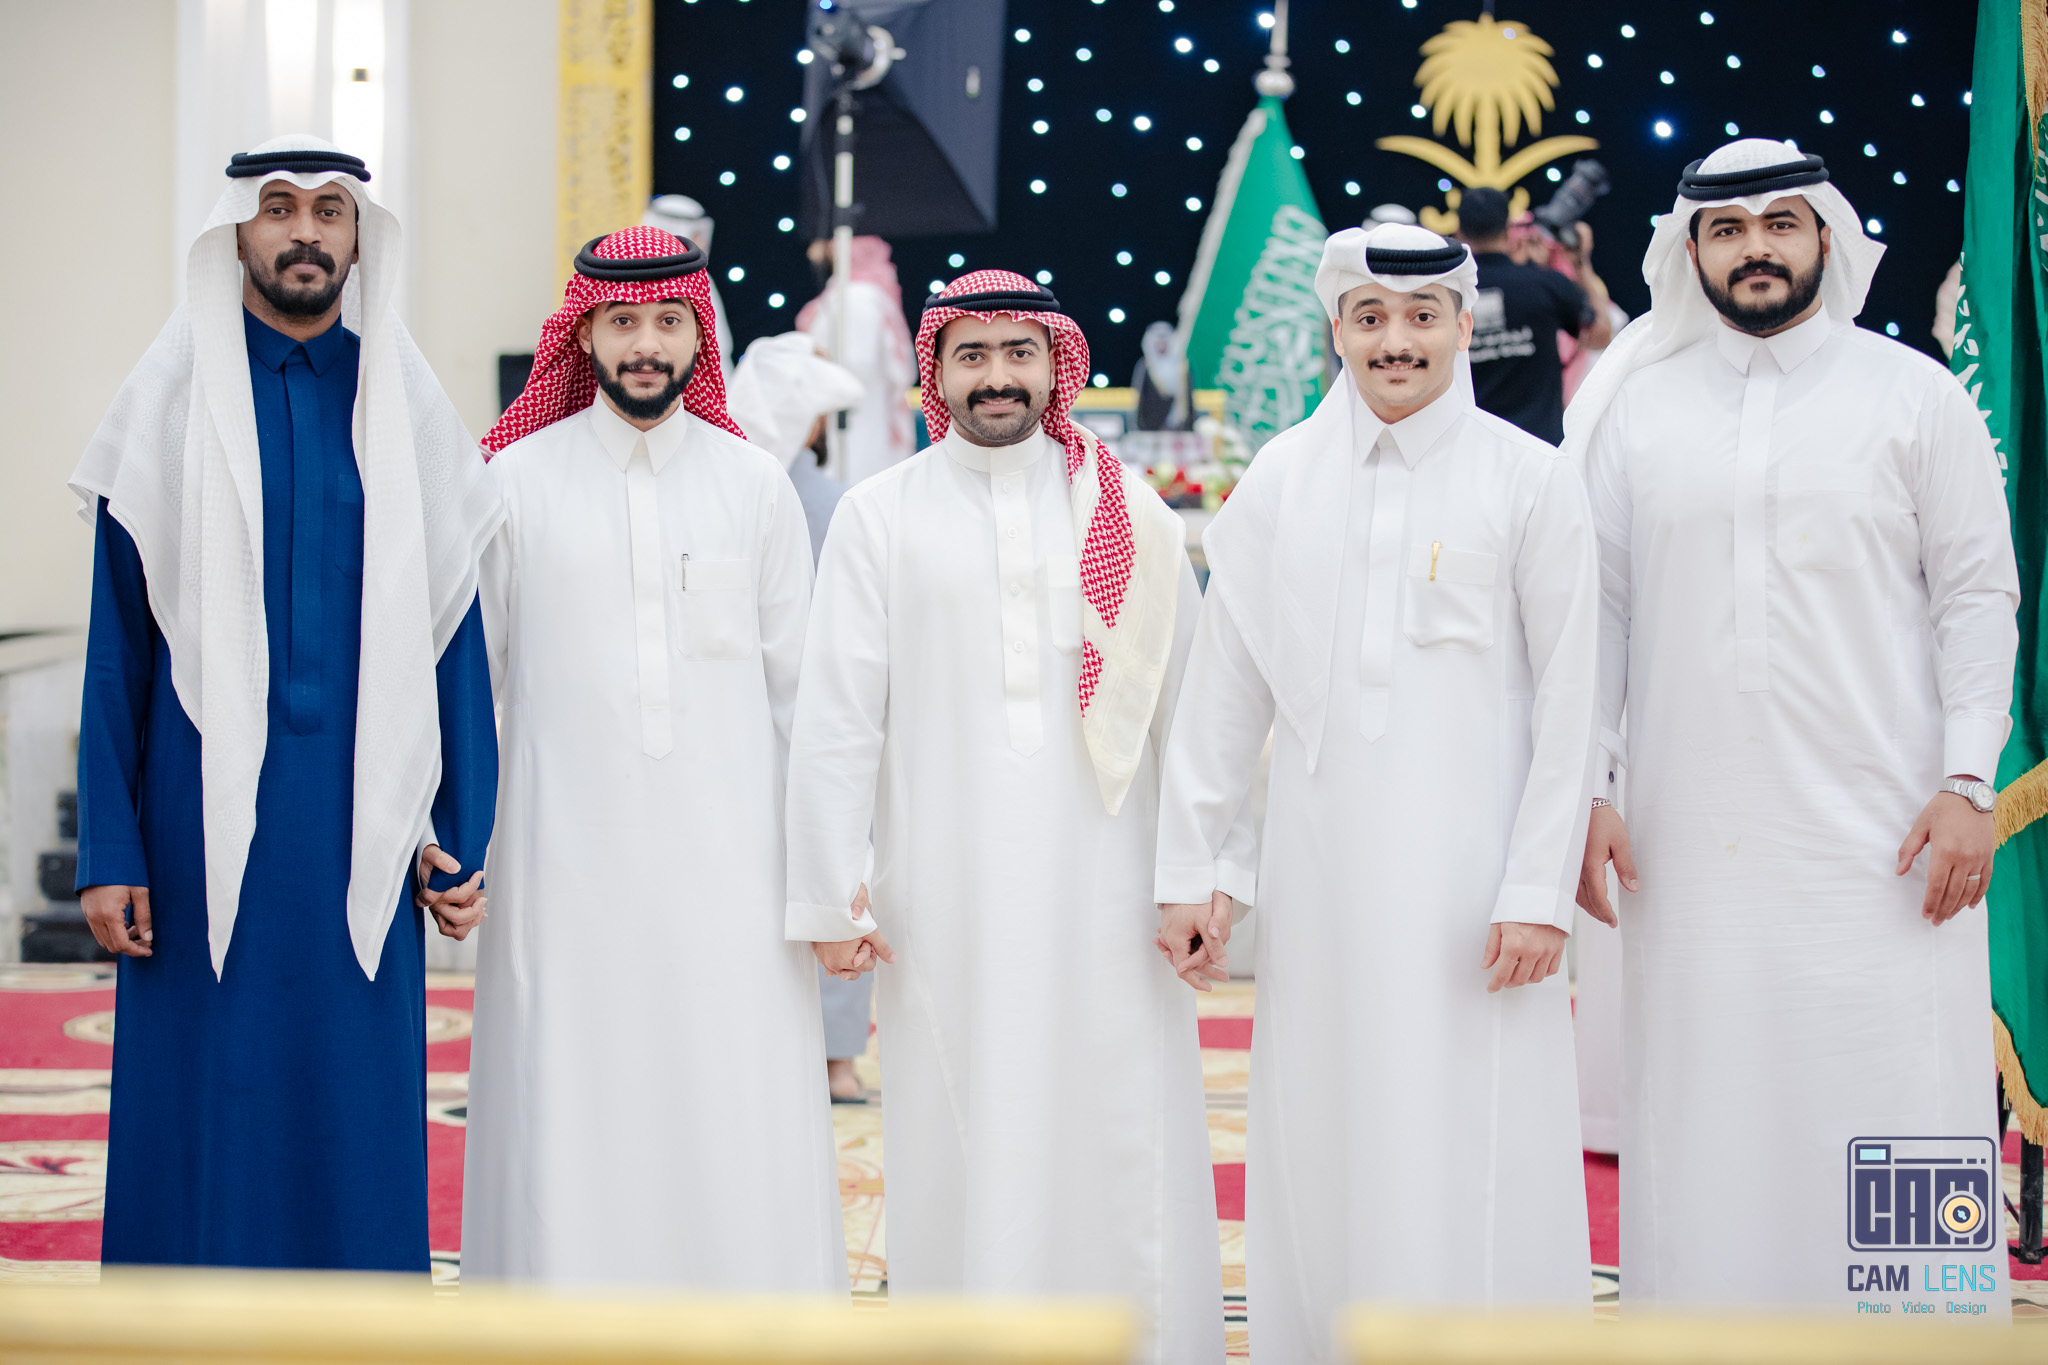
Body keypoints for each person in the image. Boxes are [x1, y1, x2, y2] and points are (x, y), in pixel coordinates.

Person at [1571, 139, 2019, 1312]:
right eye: (1725, 229)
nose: (1754, 247)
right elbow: (1596, 613)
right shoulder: (1635, 412)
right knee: (1707, 1104)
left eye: (1779, 223)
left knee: (1901, 1094)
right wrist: (1591, 783)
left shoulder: (1913, 397)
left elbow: (1978, 597)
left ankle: (1915, 1333)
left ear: (1826, 235)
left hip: (1891, 840)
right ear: (1689, 252)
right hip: (1687, 841)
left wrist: (1967, 781)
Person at [1153, 224, 1600, 1356]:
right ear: (1337, 329)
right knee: (1325, 1127)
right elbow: (1225, 690)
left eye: (1420, 317)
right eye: (1370, 318)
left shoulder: (1530, 478)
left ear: (1460, 324)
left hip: (1479, 899)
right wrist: (1198, 867)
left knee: (1477, 1131)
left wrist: (1537, 890)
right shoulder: (1280, 481)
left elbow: (1572, 703)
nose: (1395, 341)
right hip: (1325, 887)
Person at [70, 135, 502, 1270]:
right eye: (277, 207)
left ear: (360, 239)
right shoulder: (165, 406)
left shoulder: (406, 411)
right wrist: (111, 845)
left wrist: (460, 832)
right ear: (236, 232)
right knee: (205, 1092)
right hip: (192, 827)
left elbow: (452, 634)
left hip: (365, 821)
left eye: (329, 211)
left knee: (350, 1097)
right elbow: (118, 648)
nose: (305, 231)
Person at [784, 271, 1228, 1362]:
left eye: (1017, 352)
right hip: (946, 897)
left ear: (1055, 365)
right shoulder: (879, 516)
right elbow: (836, 717)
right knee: (959, 1129)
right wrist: (829, 889)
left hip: (1113, 894)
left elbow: (1193, 718)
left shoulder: (1133, 515)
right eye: (971, 355)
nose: (996, 376)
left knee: (1118, 1122)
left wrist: (1200, 874)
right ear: (934, 370)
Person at [460, 229, 845, 1291]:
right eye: (622, 321)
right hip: (560, 873)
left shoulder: (753, 485)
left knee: (731, 1101)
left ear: (697, 335)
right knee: (569, 1104)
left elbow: (804, 700)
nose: (645, 344)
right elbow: (471, 690)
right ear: (583, 333)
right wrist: (451, 840)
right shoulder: (513, 481)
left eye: (668, 321)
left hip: (734, 878)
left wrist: (828, 873)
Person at [727, 329, 873, 1100]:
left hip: (756, 726)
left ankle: (805, 1051)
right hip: (810, 720)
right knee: (834, 873)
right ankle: (835, 1058)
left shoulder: (751, 492)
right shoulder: (821, 497)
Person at [1457, 187, 1612, 443]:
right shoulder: (1546, 285)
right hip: (1540, 448)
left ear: (1459, 232)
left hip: (1469, 447)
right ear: (1508, 229)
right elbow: (1601, 336)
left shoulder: (1448, 294)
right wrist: (1580, 262)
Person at [796, 236, 916, 485]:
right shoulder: (852, 294)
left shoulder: (858, 296)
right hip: (849, 409)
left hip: (856, 413)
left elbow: (858, 362)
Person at [642, 194, 735, 378]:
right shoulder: (634, 278)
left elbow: (718, 347)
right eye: (695, 235)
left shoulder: (699, 278)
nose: (702, 242)